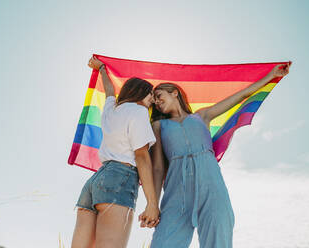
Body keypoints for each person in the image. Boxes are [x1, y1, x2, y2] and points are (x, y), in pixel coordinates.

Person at [147, 63, 291, 248]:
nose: (157, 102)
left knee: (219, 239)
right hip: (177, 190)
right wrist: (153, 205)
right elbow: (158, 168)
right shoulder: (158, 126)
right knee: (163, 243)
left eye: (159, 96)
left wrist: (271, 76)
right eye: (154, 102)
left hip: (211, 184)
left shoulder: (202, 116)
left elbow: (240, 96)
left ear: (174, 92)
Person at [71, 56, 160, 248]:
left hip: (96, 181)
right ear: (140, 93)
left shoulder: (112, 110)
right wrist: (152, 203)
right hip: (121, 178)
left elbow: (110, 91)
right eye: (150, 94)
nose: (153, 99)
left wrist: (102, 68)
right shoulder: (139, 111)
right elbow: (142, 156)